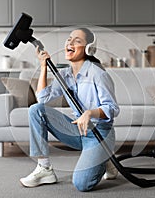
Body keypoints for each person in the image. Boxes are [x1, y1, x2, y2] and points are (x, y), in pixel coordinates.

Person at [20, 28, 120, 192]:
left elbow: (113, 108)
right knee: (36, 110)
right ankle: (44, 169)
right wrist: (43, 66)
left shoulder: (97, 73)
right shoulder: (65, 74)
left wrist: (90, 112)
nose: (70, 43)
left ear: (88, 49)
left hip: (99, 133)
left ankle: (105, 157)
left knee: (82, 184)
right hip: (78, 130)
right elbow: (43, 99)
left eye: (77, 41)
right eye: (69, 39)